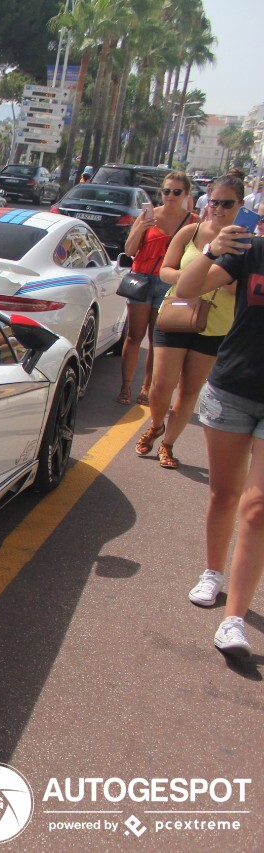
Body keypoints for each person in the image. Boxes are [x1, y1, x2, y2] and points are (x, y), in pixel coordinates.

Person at [174, 187, 264, 660]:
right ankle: (213, 572)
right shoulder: (251, 250)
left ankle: (234, 621)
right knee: (225, 493)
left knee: (257, 506)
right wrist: (212, 249)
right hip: (233, 388)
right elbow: (186, 288)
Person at [139, 174, 241, 471]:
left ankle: (168, 443)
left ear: (240, 205)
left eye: (227, 203)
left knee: (188, 390)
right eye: (215, 202)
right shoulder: (190, 232)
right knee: (160, 385)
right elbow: (165, 271)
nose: (219, 208)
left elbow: (235, 288)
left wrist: (205, 275)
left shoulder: (244, 245)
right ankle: (156, 424)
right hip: (177, 314)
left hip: (216, 324)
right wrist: (195, 277)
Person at [117, 171, 192, 406]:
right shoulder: (148, 216)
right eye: (166, 191)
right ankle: (126, 386)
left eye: (176, 192)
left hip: (169, 282)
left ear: (186, 194)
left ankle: (147, 387)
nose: (170, 196)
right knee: (134, 335)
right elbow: (129, 250)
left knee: (156, 339)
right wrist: (140, 228)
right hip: (142, 279)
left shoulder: (193, 222)